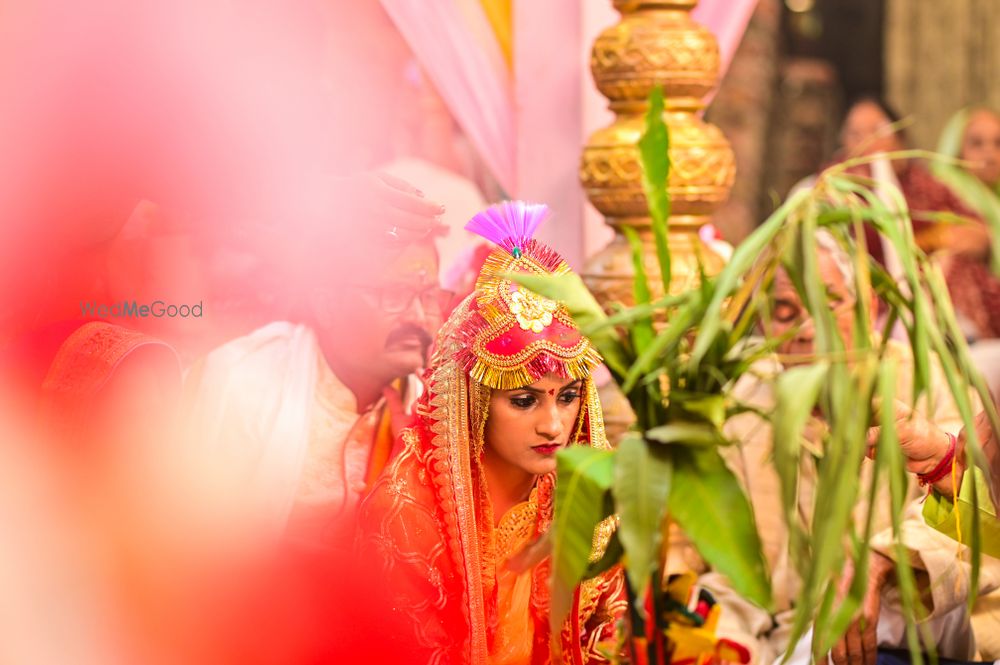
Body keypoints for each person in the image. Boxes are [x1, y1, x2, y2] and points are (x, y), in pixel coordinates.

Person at [687, 234, 999, 665]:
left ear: (869, 308)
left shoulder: (930, 383)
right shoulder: (737, 405)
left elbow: (973, 523)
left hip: (911, 627)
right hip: (783, 640)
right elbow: (720, 570)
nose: (808, 330)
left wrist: (877, 562)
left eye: (827, 304)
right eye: (783, 313)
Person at [357, 201, 626, 665]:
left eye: (567, 397)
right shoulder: (406, 518)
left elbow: (611, 637)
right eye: (524, 401)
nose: (554, 425)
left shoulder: (590, 500)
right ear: (473, 400)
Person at [184, 174, 450, 542]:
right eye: (396, 293)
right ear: (326, 304)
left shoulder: (433, 407)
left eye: (430, 295)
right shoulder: (243, 384)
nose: (420, 317)